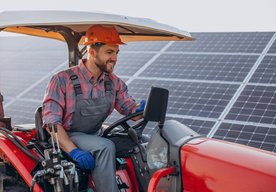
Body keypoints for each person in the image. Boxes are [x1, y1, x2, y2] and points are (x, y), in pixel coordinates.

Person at [42, 25, 144, 192]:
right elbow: (51, 123)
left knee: (142, 142)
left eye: (117, 53)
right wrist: (74, 151)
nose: (115, 58)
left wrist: (139, 110)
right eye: (109, 52)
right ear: (91, 51)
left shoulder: (114, 82)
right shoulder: (62, 80)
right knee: (105, 147)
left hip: (95, 135)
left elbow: (129, 110)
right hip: (66, 137)